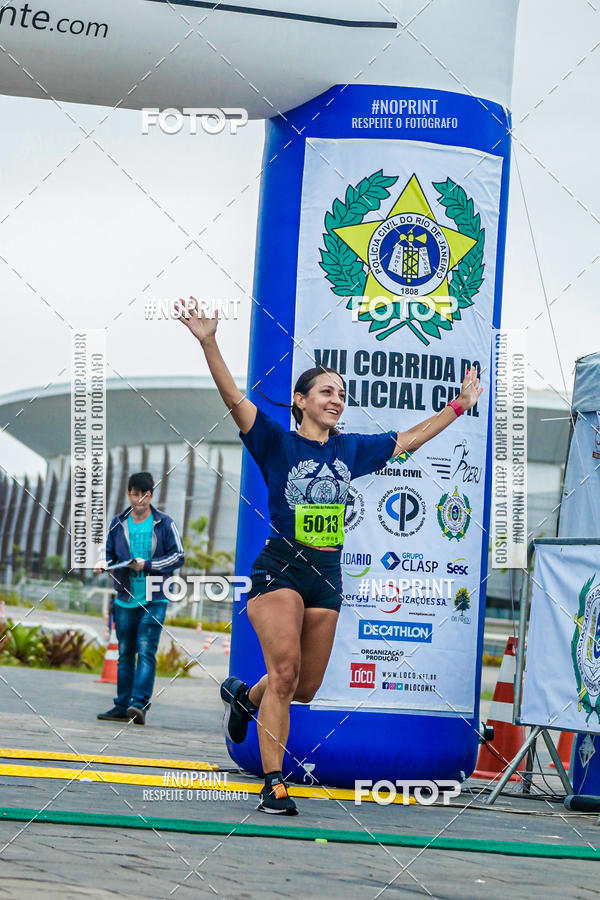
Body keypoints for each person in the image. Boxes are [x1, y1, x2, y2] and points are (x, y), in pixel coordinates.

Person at [177, 298, 483, 815]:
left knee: (304, 687)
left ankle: (244, 698)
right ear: (300, 400)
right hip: (280, 569)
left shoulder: (350, 450)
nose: (336, 400)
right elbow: (233, 397)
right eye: (326, 391)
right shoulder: (275, 442)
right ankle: (274, 784)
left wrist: (458, 405)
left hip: (327, 576)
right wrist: (209, 341)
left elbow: (410, 440)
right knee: (284, 673)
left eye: (341, 394)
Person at [95, 472, 184, 725]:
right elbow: (108, 554)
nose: (140, 500)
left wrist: (147, 565)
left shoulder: (164, 523)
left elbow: (178, 557)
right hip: (125, 599)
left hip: (154, 599)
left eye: (144, 495)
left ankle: (138, 705)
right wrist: (102, 564)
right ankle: (122, 706)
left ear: (151, 496)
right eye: (135, 494)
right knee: (125, 654)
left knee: (145, 650)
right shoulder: (117, 523)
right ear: (128, 494)